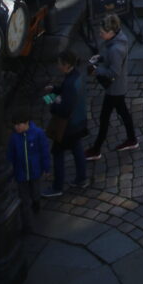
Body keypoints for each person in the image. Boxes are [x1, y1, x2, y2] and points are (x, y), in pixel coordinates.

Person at [85, 14, 137, 158]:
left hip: (114, 88)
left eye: (102, 32)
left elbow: (114, 71)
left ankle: (96, 149)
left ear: (110, 32)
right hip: (118, 88)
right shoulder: (120, 39)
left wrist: (96, 71)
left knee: (104, 118)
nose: (100, 34)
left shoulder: (115, 49)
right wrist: (101, 58)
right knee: (123, 113)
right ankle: (132, 139)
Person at [44, 53, 89, 196]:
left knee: (57, 153)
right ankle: (81, 179)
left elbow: (64, 109)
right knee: (77, 149)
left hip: (68, 127)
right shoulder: (77, 76)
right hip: (79, 122)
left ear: (66, 65)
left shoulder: (70, 83)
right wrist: (56, 89)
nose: (57, 66)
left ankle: (57, 187)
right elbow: (69, 93)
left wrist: (52, 104)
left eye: (59, 64)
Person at [8, 113, 52, 229]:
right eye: (15, 125)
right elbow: (11, 154)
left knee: (35, 191)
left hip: (35, 172)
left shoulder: (38, 134)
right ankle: (27, 223)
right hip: (21, 173)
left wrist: (46, 167)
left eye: (19, 125)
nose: (16, 127)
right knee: (24, 198)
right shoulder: (14, 138)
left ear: (26, 123)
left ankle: (36, 201)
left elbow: (44, 152)